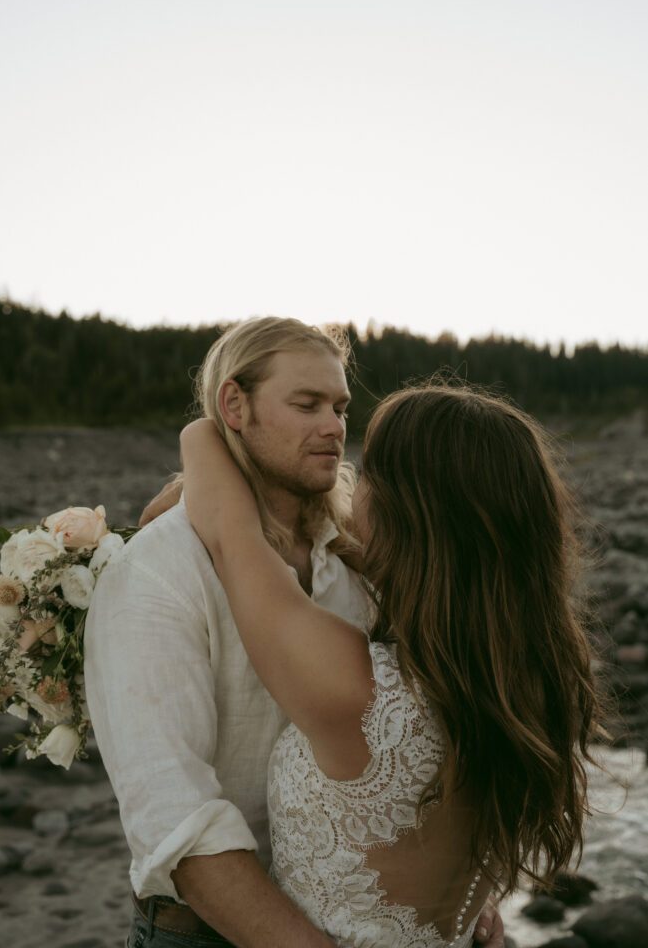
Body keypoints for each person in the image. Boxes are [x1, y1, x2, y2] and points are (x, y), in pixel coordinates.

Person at [84, 317, 503, 947]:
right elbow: (174, 818)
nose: (334, 427)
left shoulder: (366, 559)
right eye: (306, 405)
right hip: (213, 932)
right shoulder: (159, 570)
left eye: (339, 407)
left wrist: (458, 894)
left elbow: (444, 727)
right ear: (236, 404)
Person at [177, 381, 600, 947]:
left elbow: (230, 532)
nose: (353, 487)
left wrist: (211, 425)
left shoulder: (356, 690)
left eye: (369, 472)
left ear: (412, 512)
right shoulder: (531, 681)